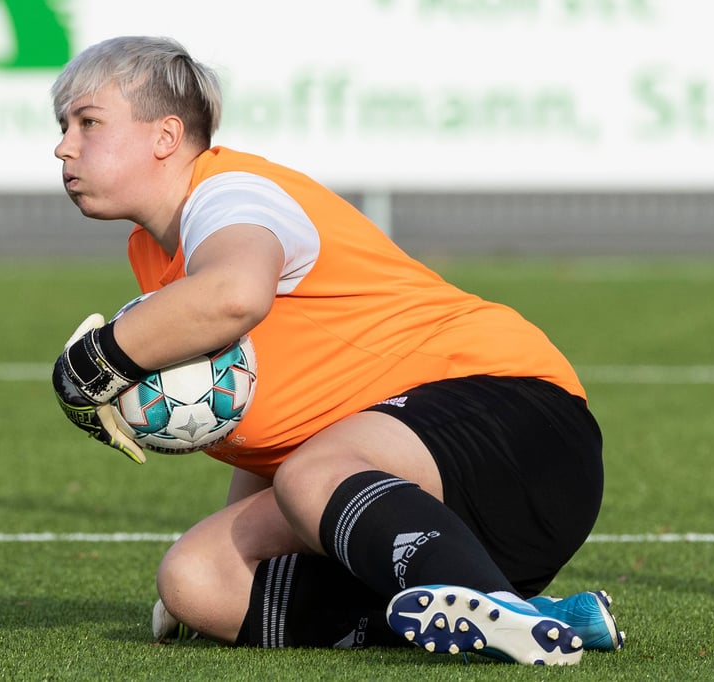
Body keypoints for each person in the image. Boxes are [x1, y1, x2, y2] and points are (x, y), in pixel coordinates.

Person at [50, 35, 623, 665]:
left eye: (88, 123)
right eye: (63, 126)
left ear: (165, 136)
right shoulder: (154, 250)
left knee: (310, 476)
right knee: (198, 578)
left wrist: (89, 365)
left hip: (521, 424)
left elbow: (235, 294)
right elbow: (274, 409)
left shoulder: (230, 194)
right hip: (439, 499)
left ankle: (491, 603)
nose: (64, 145)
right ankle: (533, 618)